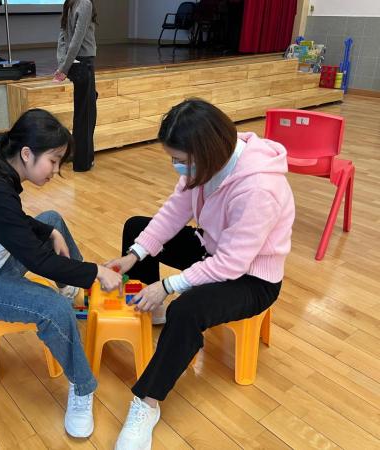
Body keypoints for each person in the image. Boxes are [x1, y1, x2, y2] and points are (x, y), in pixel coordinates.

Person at [106, 99, 295, 450]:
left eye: (181, 160)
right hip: (213, 249)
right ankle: (151, 310)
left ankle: (147, 403)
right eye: (173, 159)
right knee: (137, 228)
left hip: (252, 278)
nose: (177, 167)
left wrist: (167, 286)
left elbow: (232, 264)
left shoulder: (259, 188)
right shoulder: (204, 166)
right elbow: (173, 212)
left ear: (206, 153)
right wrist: (134, 255)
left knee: (186, 310)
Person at [0, 109, 122, 438]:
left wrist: (50, 232)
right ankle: (82, 388)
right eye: (53, 160)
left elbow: (14, 222)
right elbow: (38, 261)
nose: (55, 170)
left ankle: (74, 294)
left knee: (51, 220)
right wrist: (95, 271)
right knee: (53, 308)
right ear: (27, 154)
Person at [53, 0, 98, 172]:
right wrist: (64, 68)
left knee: (83, 113)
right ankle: (82, 162)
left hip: (75, 64)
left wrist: (63, 64)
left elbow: (63, 38)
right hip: (83, 64)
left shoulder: (71, 3)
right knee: (85, 116)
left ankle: (79, 155)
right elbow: (75, 40)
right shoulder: (84, 3)